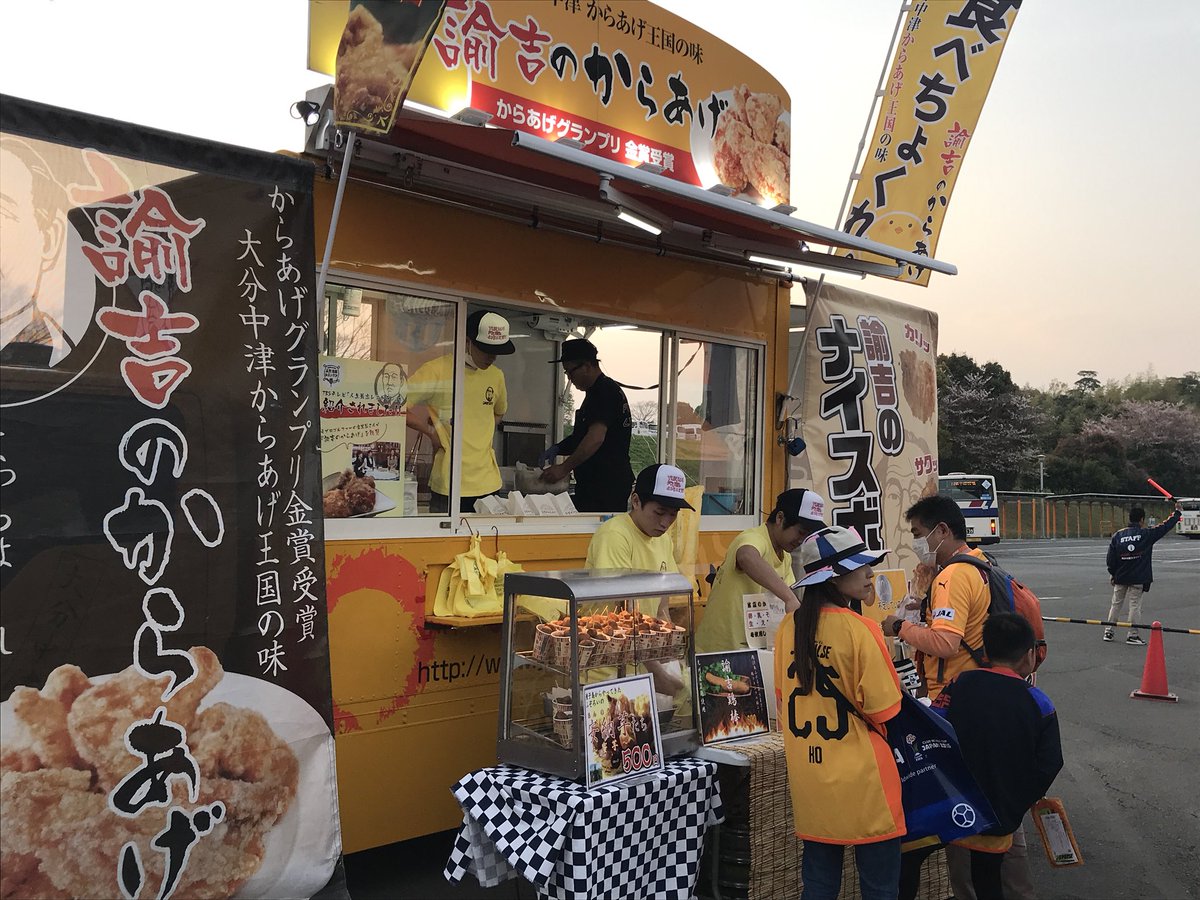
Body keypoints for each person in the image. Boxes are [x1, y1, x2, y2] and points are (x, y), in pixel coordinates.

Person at [775, 526, 903, 900]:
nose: (869, 573)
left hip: (811, 779)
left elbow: (783, 698)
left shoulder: (788, 627)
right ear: (832, 577)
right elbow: (885, 710)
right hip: (865, 779)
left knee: (818, 885)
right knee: (880, 888)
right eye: (858, 566)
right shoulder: (861, 629)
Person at [931, 613, 1064, 900]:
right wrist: (1019, 800)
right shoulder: (1038, 701)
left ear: (985, 653)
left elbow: (934, 726)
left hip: (958, 808)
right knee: (990, 879)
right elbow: (1051, 762)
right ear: (1029, 655)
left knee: (966, 876)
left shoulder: (959, 683)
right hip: (1003, 812)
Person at [585, 463, 693, 696]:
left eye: (673, 514)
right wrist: (659, 674)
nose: (665, 523)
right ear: (636, 501)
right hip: (606, 667)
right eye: (659, 512)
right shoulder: (615, 535)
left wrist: (671, 656)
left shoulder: (663, 540)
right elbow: (623, 614)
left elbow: (661, 607)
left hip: (642, 663)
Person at [881, 494, 990, 701]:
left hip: (952, 693)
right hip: (977, 683)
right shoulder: (980, 561)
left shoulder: (952, 577)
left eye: (918, 534)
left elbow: (945, 643)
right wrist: (926, 606)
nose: (916, 544)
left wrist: (898, 626)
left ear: (942, 531)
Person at [694, 488, 826, 654]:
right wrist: (789, 598)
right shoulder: (754, 537)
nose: (801, 540)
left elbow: (788, 598)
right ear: (780, 518)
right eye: (800, 532)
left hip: (755, 650)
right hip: (719, 650)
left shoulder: (785, 556)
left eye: (807, 535)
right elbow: (747, 556)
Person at [407, 309, 513, 513]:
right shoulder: (437, 370)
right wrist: (431, 432)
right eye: (486, 349)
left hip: (489, 482)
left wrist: (478, 431)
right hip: (449, 482)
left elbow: (498, 413)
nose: (492, 357)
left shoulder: (496, 376)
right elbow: (394, 407)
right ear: (467, 342)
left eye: (497, 351)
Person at [539, 338, 633, 512]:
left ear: (587, 366)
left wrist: (564, 468)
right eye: (566, 373)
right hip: (595, 483)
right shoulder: (595, 392)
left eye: (570, 372)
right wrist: (559, 448)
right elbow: (582, 436)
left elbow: (595, 438)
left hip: (606, 485)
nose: (569, 378)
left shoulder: (604, 392)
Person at [1104, 502, 1182, 644]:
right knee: (1134, 606)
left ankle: (1109, 631)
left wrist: (1113, 573)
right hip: (1138, 577)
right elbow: (1165, 527)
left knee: (1116, 604)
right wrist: (1177, 513)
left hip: (1120, 576)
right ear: (1142, 520)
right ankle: (1133, 635)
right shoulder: (1146, 534)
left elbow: (1110, 559)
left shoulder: (1118, 535)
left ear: (1130, 518)